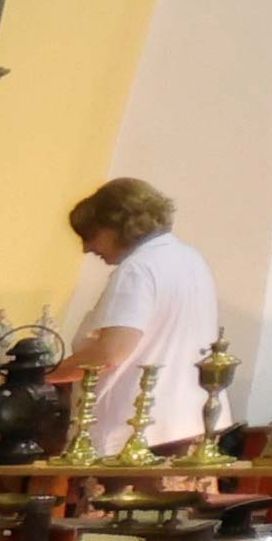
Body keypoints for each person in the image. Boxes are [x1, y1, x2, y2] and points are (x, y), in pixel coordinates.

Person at [54, 178, 217, 452]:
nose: (87, 248)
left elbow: (109, 354)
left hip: (132, 436)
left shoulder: (137, 269)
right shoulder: (191, 259)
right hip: (188, 425)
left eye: (90, 235)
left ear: (118, 225)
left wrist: (43, 375)